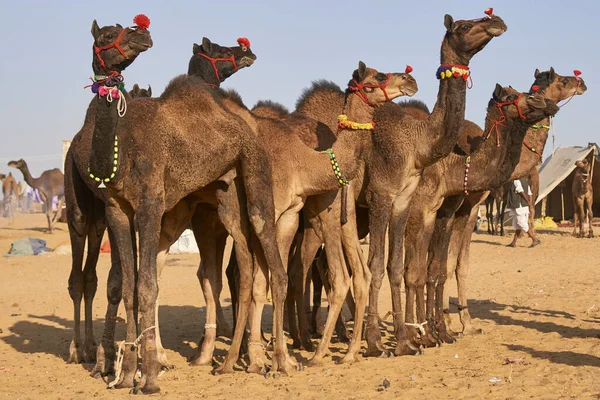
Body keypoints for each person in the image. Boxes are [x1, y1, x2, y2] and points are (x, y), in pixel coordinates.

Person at [506, 177, 540, 247]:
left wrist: (527, 201)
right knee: (517, 225)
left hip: (519, 205)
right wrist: (529, 203)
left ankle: (534, 239)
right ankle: (513, 242)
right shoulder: (525, 182)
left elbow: (520, 191)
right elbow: (529, 193)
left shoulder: (516, 181)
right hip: (522, 206)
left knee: (522, 223)